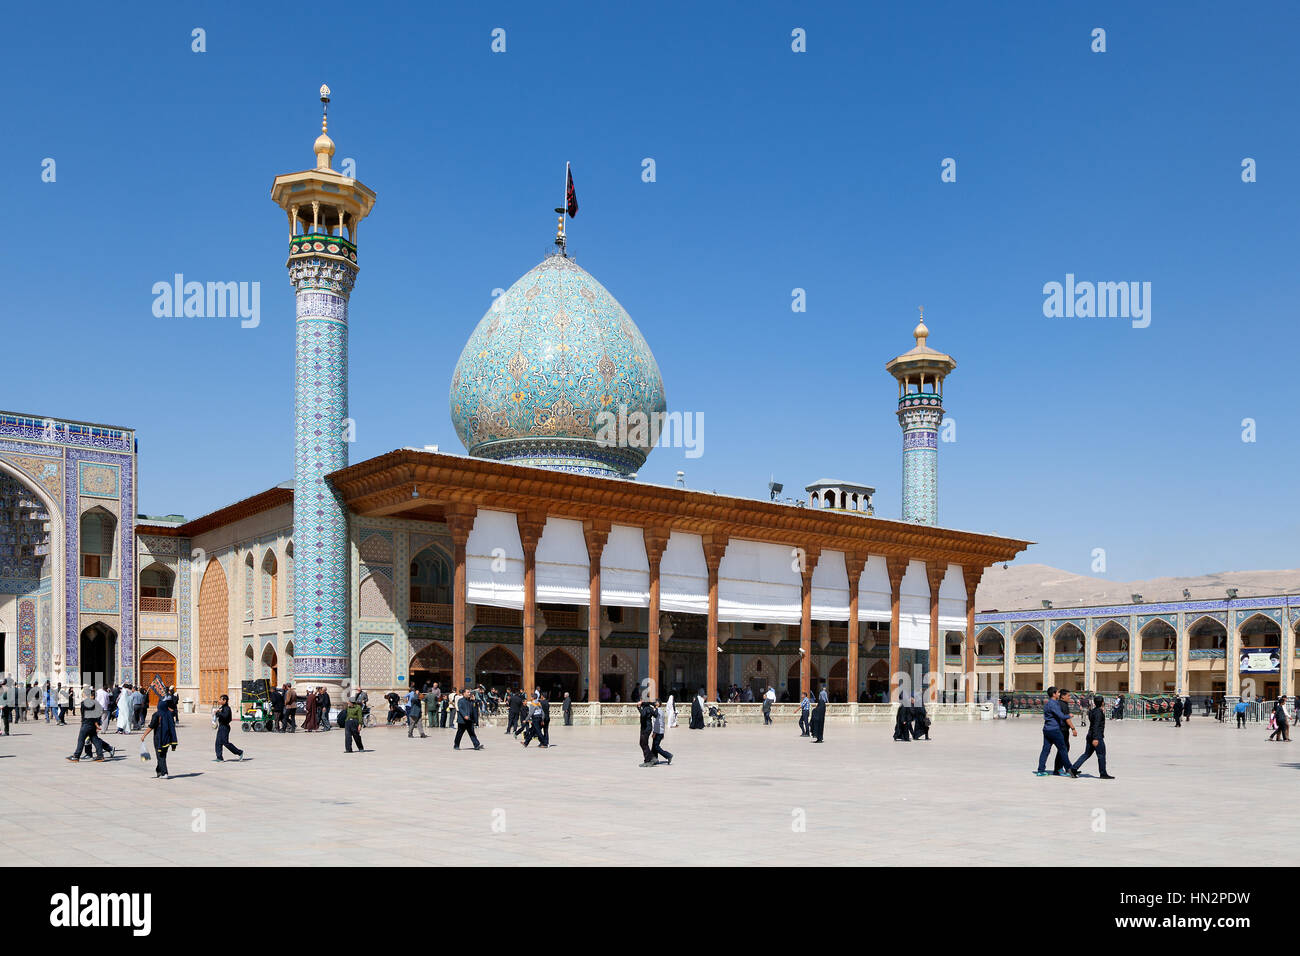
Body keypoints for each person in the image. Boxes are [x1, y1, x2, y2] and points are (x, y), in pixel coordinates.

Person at [1069, 695, 1114, 779]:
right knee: (1101, 755)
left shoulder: (1092, 711)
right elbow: (1096, 725)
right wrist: (1096, 738)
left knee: (1086, 754)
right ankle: (1103, 773)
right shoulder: (1098, 712)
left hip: (1090, 735)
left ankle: (1073, 768)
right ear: (1102, 703)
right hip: (1096, 736)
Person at [1036, 687, 1077, 776]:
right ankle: (1070, 769)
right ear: (1054, 694)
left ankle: (1040, 770)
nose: (1059, 694)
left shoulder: (1047, 704)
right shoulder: (1053, 704)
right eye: (1058, 692)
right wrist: (1068, 715)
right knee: (1063, 749)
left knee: (1045, 750)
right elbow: (1061, 716)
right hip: (1054, 730)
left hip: (1047, 729)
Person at [140, 696, 178, 778]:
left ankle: (164, 773)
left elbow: (151, 726)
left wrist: (144, 735)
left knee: (160, 756)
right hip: (168, 738)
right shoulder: (169, 714)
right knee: (163, 755)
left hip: (159, 738)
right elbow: (174, 711)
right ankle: (159, 771)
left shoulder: (157, 715)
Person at [213, 694, 245, 762]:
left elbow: (225, 716)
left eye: (221, 700)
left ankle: (239, 752)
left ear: (224, 700)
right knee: (218, 742)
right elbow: (219, 715)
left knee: (225, 742)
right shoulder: (222, 707)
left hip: (225, 727)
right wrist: (217, 713)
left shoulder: (227, 708)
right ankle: (219, 757)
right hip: (221, 726)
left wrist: (219, 713)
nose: (219, 701)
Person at [649, 698, 673, 766]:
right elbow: (663, 722)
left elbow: (657, 723)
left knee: (656, 747)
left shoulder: (657, 712)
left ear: (658, 704)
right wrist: (663, 733)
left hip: (658, 732)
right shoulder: (661, 711)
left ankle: (668, 755)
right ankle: (654, 759)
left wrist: (654, 732)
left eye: (655, 702)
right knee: (654, 747)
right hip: (660, 732)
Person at [638, 697, 657, 766]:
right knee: (642, 743)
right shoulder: (649, 708)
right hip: (647, 727)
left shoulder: (646, 708)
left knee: (643, 743)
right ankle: (652, 757)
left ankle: (648, 760)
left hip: (645, 728)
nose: (640, 701)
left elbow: (643, 715)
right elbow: (655, 715)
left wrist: (639, 707)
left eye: (641, 700)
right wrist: (655, 708)